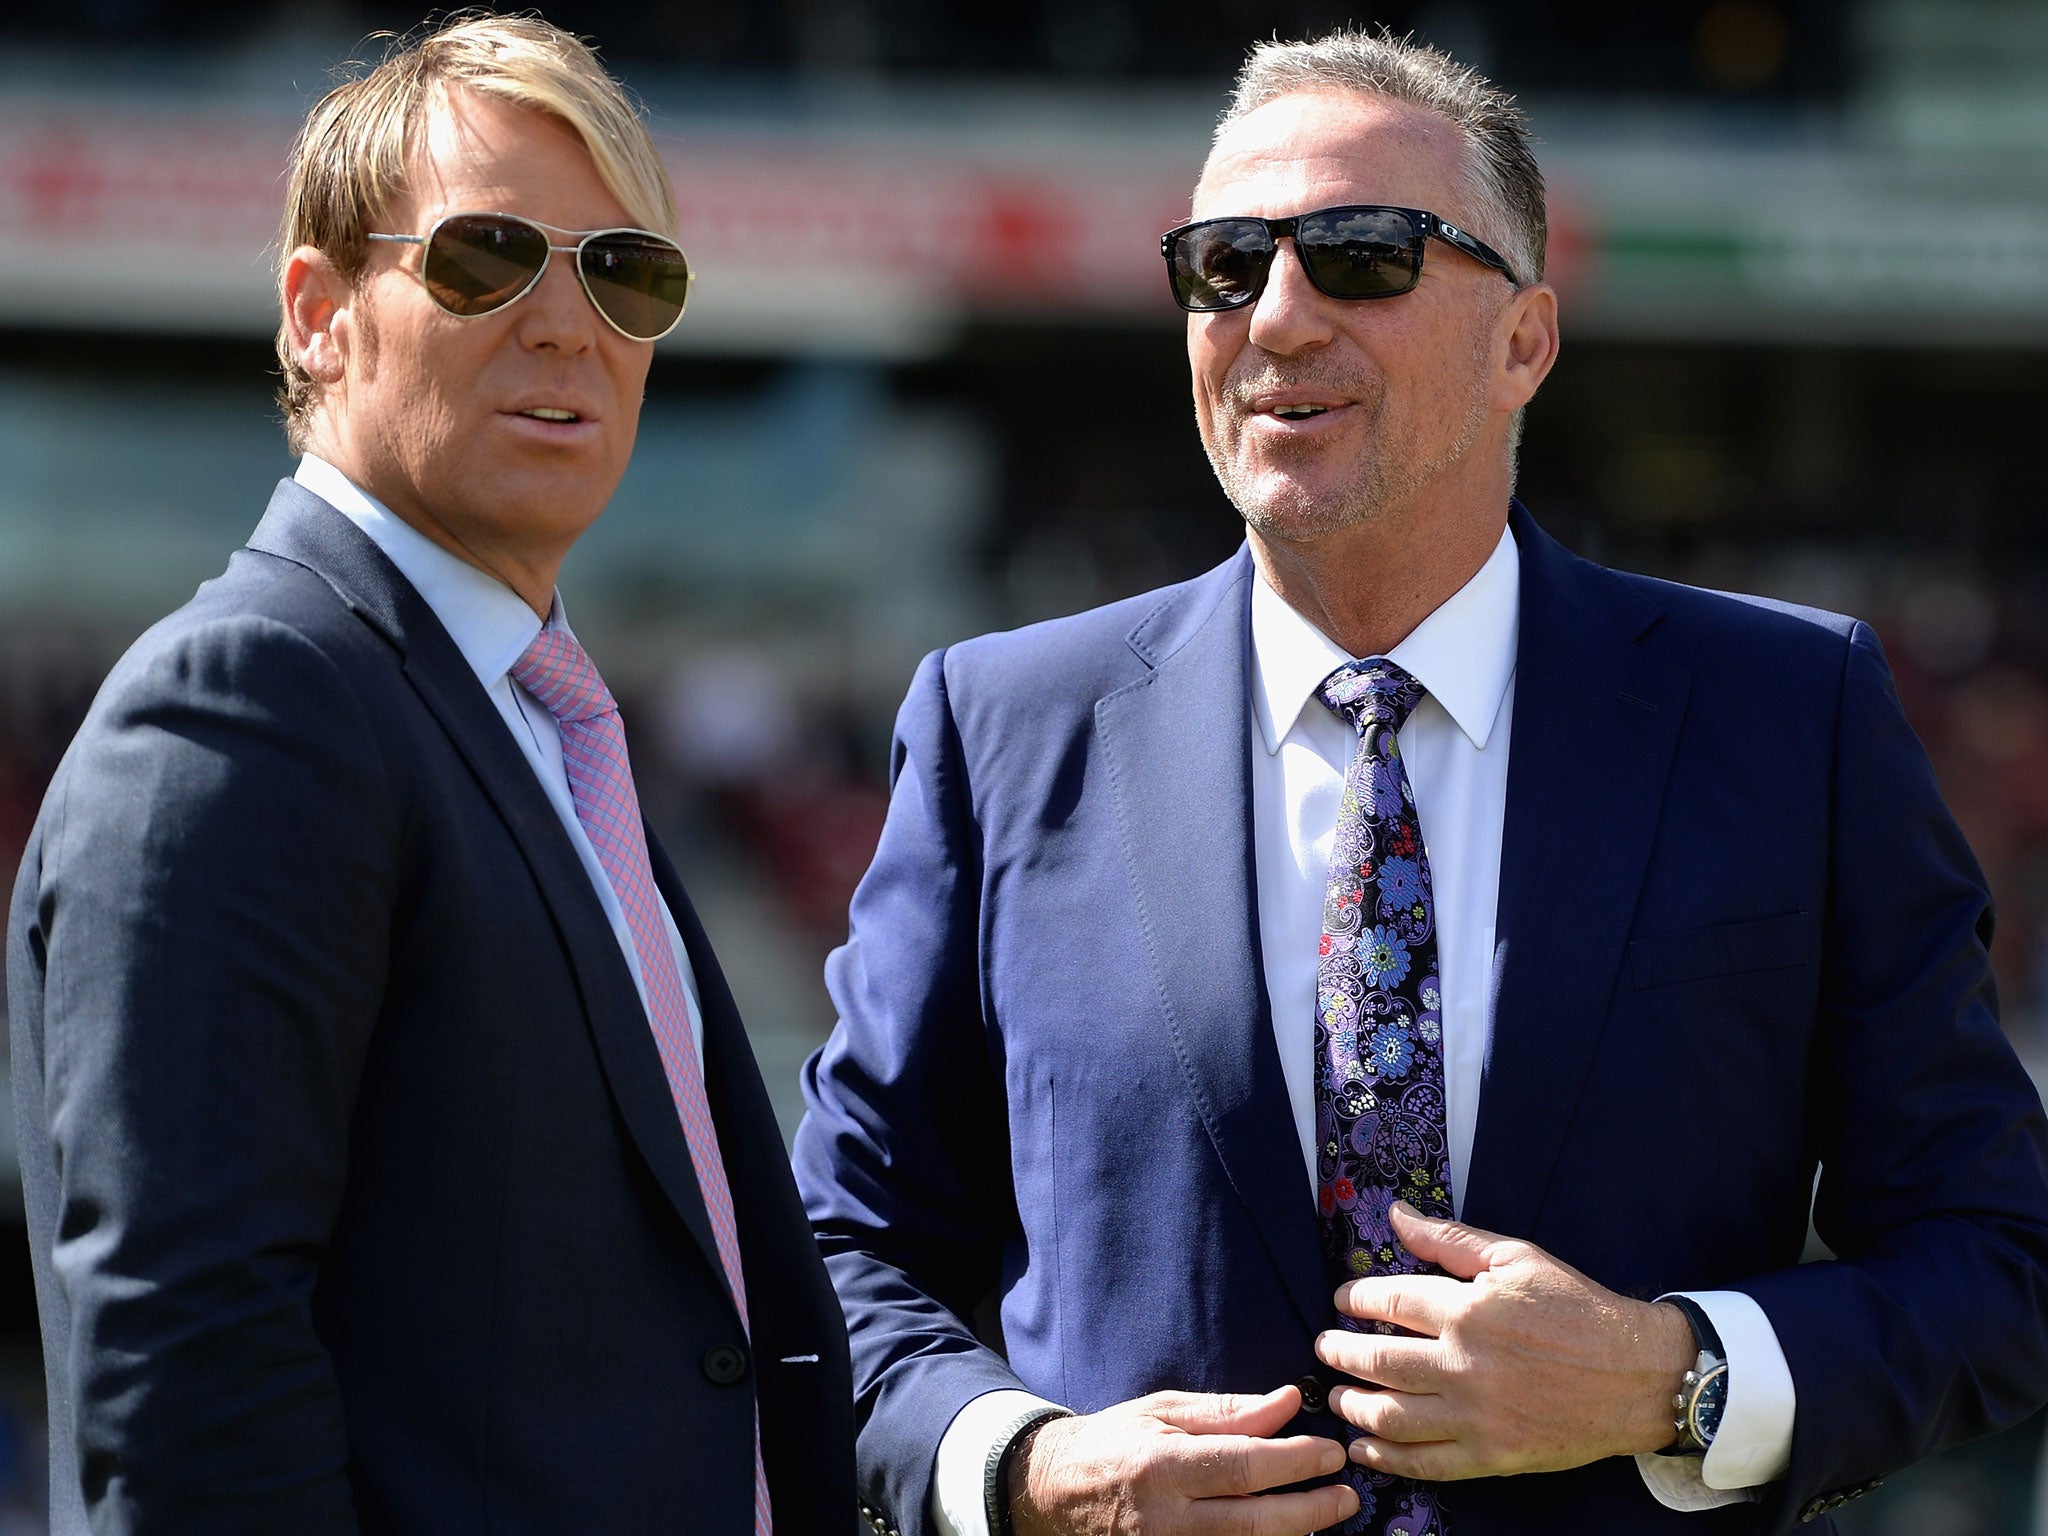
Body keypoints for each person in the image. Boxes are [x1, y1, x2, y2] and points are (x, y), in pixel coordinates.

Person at [792, 27, 2048, 1536]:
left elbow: (1996, 1257)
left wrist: (1674, 1376)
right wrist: (1029, 1472)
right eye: (1224, 264)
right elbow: (832, 1251)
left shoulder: (1787, 714)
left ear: (1525, 342)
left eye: (1361, 255)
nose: (1276, 314)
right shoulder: (1003, 726)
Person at [6, 15, 852, 1533]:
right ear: (320, 314)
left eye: (626, 274)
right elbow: (192, 1380)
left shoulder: (539, 726)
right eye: (485, 258)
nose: (568, 323)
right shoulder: (246, 709)